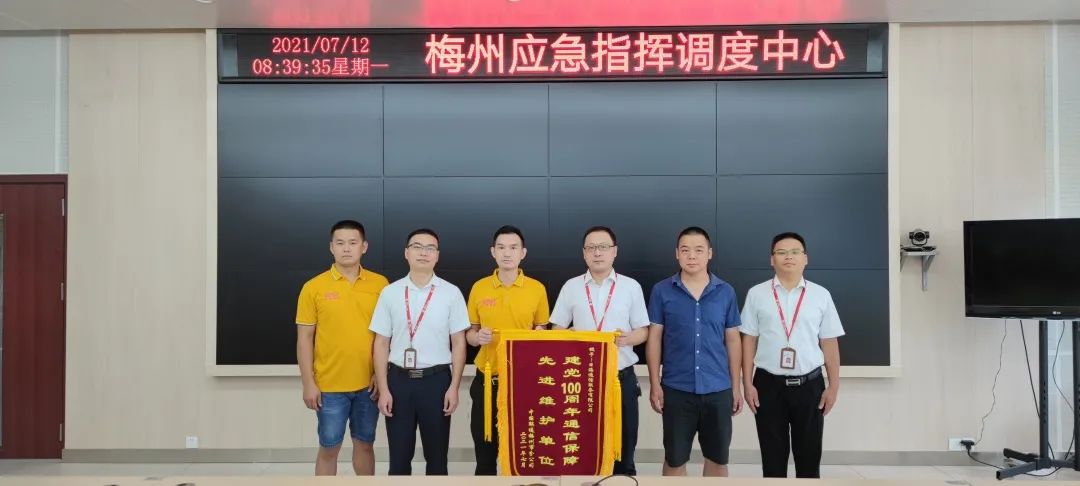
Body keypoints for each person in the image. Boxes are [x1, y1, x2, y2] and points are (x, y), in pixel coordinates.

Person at [740, 232, 844, 478]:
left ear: (805, 258)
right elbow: (748, 340)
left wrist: (833, 386)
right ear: (772, 259)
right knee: (772, 460)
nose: (789, 257)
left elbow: (829, 342)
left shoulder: (821, 295)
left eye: (795, 252)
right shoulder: (756, 294)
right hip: (767, 385)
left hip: (810, 386)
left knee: (809, 459)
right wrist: (747, 383)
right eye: (781, 252)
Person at [549, 225, 650, 475]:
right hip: (580, 381)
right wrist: (569, 334)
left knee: (624, 450)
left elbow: (643, 331)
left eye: (603, 247)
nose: (597, 253)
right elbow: (555, 328)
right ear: (584, 253)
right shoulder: (571, 287)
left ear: (614, 251)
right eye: (591, 248)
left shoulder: (631, 287)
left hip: (620, 379)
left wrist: (628, 339)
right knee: (582, 451)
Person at [370, 228, 470, 475]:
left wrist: (454, 387)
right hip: (398, 382)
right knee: (398, 459)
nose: (424, 253)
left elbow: (459, 343)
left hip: (436, 382)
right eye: (417, 247)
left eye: (430, 248)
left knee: (437, 459)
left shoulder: (451, 293)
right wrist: (384, 389)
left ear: (437, 255)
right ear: (406, 253)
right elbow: (381, 343)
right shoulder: (390, 292)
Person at [646, 226, 742, 477]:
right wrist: (655, 384)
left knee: (718, 459)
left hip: (718, 388)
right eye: (685, 250)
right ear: (677, 254)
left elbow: (733, 340)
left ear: (709, 253)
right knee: (674, 459)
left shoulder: (726, 291)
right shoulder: (662, 290)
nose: (692, 256)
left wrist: (736, 386)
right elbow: (654, 338)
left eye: (699, 250)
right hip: (676, 388)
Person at [295, 219, 389, 476]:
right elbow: (304, 339)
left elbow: (388, 336)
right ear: (331, 247)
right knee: (329, 448)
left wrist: (380, 375)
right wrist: (308, 383)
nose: (346, 248)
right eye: (340, 243)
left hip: (369, 386)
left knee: (365, 445)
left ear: (364, 247)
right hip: (328, 386)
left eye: (353, 242)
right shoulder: (313, 287)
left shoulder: (381, 285)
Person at [466, 225, 550, 475]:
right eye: (501, 247)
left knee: (523, 452)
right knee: (485, 453)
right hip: (487, 380)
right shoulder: (479, 287)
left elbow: (543, 329)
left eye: (513, 248)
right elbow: (469, 334)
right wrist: (477, 337)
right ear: (493, 252)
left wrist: (539, 335)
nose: (507, 253)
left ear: (523, 253)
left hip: (525, 382)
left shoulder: (537, 289)